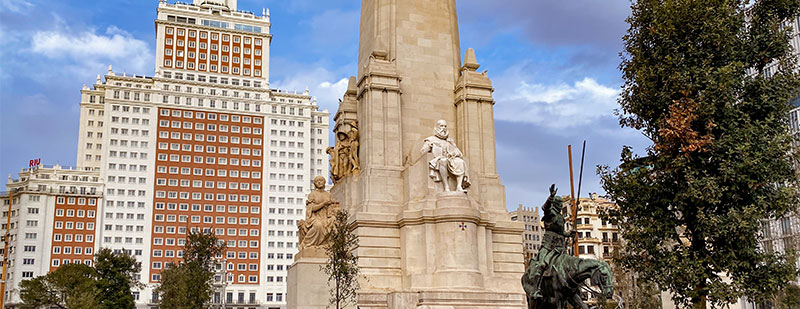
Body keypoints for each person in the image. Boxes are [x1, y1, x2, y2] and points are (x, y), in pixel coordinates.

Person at [529, 184, 574, 300]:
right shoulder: (550, 213)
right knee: (541, 264)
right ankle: (535, 289)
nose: (560, 206)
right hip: (548, 245)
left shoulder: (560, 217)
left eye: (561, 204)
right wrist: (551, 197)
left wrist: (569, 234)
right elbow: (545, 208)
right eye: (559, 204)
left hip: (559, 245)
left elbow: (561, 232)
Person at [420, 120, 470, 191]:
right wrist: (429, 146)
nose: (443, 128)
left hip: (450, 159)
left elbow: (459, 153)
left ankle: (459, 186)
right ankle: (446, 186)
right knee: (443, 161)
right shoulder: (431, 139)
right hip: (439, 159)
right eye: (441, 126)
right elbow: (422, 152)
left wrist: (453, 149)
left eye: (445, 126)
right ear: (437, 127)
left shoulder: (449, 141)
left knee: (460, 162)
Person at [298, 176, 339, 250]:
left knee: (334, 221)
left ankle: (329, 245)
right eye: (317, 181)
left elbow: (332, 207)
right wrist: (323, 203)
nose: (319, 182)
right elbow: (312, 208)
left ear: (324, 182)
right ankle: (306, 243)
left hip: (326, 216)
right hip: (315, 216)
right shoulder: (312, 194)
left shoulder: (328, 194)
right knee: (318, 225)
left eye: (321, 180)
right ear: (315, 184)